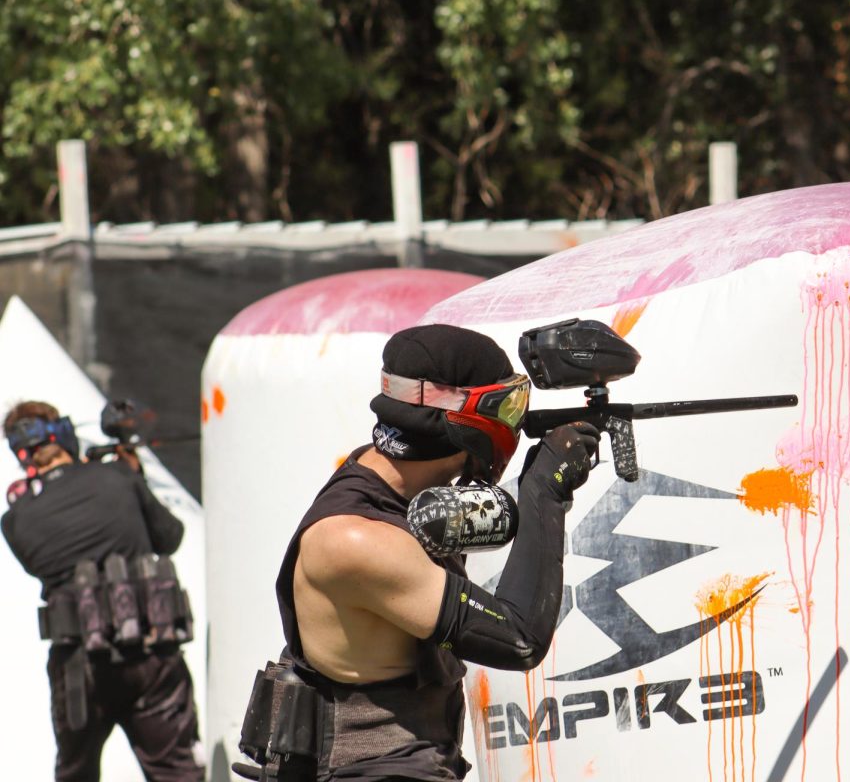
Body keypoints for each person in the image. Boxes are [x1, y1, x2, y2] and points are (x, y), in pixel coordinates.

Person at [234, 324, 600, 782]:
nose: (515, 423)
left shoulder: (385, 480)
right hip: (370, 771)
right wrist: (544, 492)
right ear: (468, 417)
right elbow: (518, 639)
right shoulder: (355, 539)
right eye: (506, 407)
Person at [1, 400, 204, 782]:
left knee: (76, 772)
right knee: (177, 772)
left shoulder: (16, 518)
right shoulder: (119, 478)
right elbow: (169, 537)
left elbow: (38, 564)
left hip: (79, 663)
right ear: (63, 434)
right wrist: (134, 475)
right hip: (151, 651)